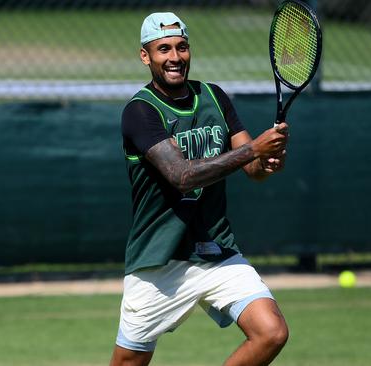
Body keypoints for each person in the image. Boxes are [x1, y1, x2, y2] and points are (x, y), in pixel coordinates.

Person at [110, 12, 290, 366]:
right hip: (160, 259)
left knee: (272, 332)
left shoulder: (214, 96)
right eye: (163, 49)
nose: (174, 57)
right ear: (145, 56)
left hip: (215, 250)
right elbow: (182, 176)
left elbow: (252, 169)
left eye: (182, 47)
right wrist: (254, 149)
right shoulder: (140, 111)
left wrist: (266, 161)